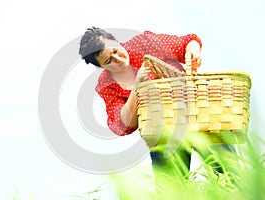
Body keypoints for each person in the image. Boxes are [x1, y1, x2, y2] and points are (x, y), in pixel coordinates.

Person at [78, 27, 237, 196]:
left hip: (199, 119)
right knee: (170, 192)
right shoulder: (107, 84)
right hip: (163, 134)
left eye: (116, 51)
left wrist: (193, 53)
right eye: (108, 61)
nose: (117, 59)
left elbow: (187, 42)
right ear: (102, 67)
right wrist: (138, 88)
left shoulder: (144, 44)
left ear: (117, 41)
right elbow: (122, 124)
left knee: (231, 177)